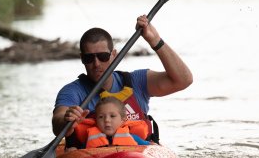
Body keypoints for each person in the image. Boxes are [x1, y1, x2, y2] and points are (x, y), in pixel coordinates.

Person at [52, 14, 193, 149]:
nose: (96, 64)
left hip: (137, 156)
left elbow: (184, 80)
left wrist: (155, 40)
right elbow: (57, 124)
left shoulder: (137, 81)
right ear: (82, 59)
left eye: (103, 56)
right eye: (89, 58)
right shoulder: (73, 91)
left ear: (114, 55)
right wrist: (66, 120)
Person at [71, 96, 151, 149]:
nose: (107, 120)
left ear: (123, 119)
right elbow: (80, 151)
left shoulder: (133, 138)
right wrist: (73, 150)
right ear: (96, 121)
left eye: (112, 116)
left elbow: (150, 147)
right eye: (101, 117)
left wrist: (154, 145)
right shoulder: (90, 139)